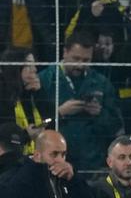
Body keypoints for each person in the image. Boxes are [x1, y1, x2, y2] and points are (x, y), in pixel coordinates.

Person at [39, 32, 122, 170]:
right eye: (76, 58)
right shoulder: (45, 80)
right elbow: (34, 124)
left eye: (86, 60)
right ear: (64, 52)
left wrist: (100, 114)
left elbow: (116, 126)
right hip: (54, 163)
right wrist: (59, 113)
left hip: (92, 165)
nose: (80, 65)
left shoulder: (101, 83)